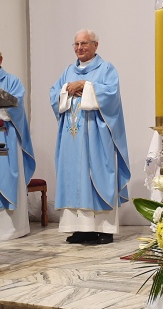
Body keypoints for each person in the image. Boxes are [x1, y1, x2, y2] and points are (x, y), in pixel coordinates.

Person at [49, 29, 131, 245]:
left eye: (84, 43)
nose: (80, 48)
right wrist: (67, 89)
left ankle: (104, 229)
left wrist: (86, 86)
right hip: (72, 139)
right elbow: (54, 94)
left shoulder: (106, 69)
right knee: (73, 178)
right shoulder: (68, 71)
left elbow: (111, 95)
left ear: (95, 45)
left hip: (96, 137)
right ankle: (81, 229)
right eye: (76, 44)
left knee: (98, 176)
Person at [0, 44, 36, 241]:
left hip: (7, 137)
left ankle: (13, 229)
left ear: (0, 59)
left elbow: (15, 107)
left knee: (8, 178)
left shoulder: (12, 81)